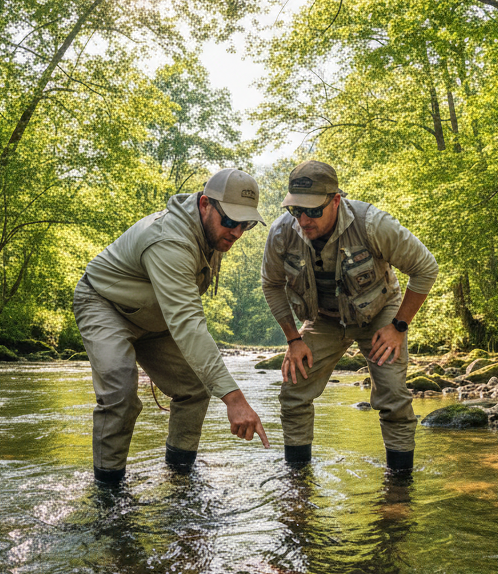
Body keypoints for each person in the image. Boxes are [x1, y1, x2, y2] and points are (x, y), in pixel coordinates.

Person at [74, 168, 270, 486]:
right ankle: (108, 493)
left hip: (155, 318)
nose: (237, 232)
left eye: (245, 224)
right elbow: (188, 323)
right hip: (105, 305)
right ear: (205, 204)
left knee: (194, 388)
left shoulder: (208, 233)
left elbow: (183, 313)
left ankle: (180, 480)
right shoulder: (170, 239)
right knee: (120, 395)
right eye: (231, 221)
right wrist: (234, 399)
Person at [261, 159, 438, 474]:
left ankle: (399, 488)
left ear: (336, 201)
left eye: (313, 210)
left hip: (380, 313)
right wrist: (293, 338)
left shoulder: (373, 224)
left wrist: (398, 326)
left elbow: (425, 269)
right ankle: (297, 483)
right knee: (293, 392)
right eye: (296, 210)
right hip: (323, 319)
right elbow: (272, 285)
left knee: (393, 397)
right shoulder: (281, 234)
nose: (304, 219)